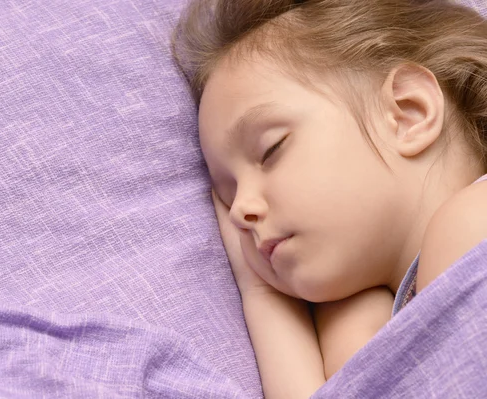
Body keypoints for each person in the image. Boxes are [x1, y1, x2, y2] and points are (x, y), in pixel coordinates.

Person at [172, 0, 487, 397]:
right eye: (227, 194)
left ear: (408, 113)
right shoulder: (372, 321)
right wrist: (261, 292)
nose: (238, 212)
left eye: (270, 150)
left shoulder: (471, 219)